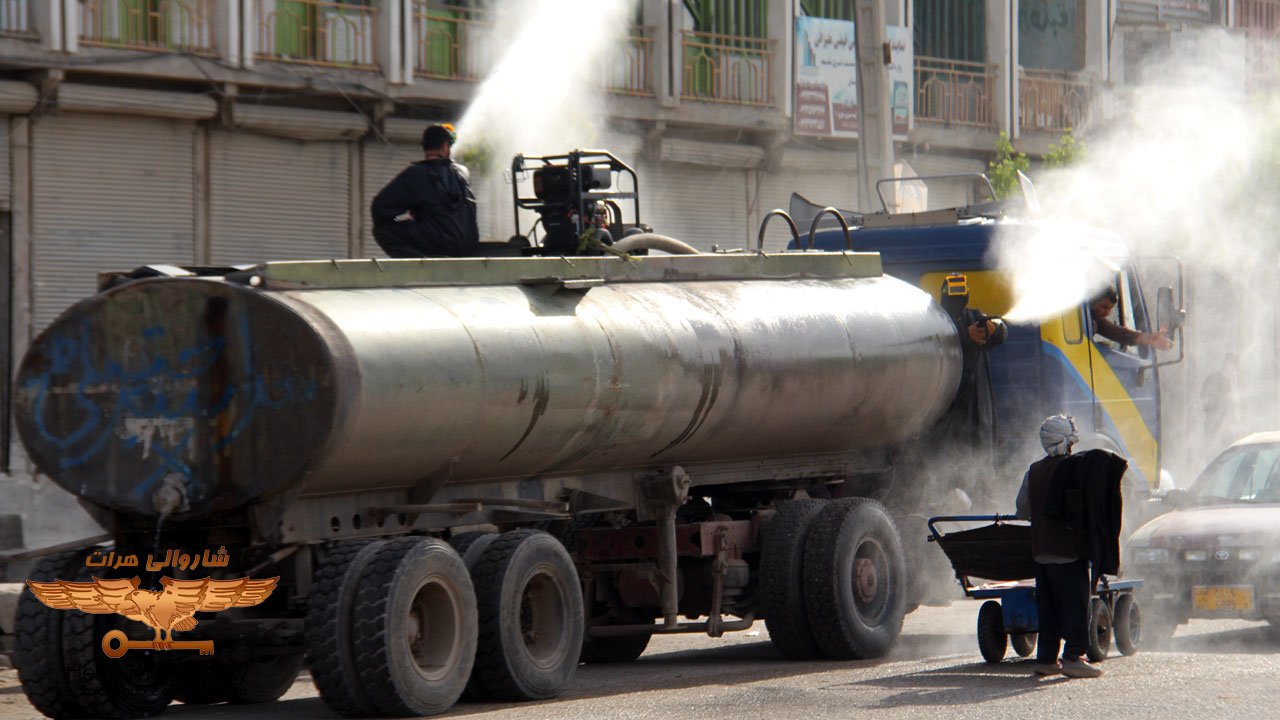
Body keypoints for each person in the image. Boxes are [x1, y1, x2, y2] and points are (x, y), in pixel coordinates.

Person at [1015, 415, 1126, 679]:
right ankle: (1074, 657)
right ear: (1067, 442)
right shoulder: (1077, 468)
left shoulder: (1033, 470)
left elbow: (1022, 510)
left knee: (1049, 609)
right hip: (1069, 553)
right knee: (1076, 607)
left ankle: (1046, 660)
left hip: (1041, 554)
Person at [936, 273, 1008, 507]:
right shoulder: (934, 319)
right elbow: (935, 342)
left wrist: (993, 329)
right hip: (947, 416)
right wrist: (963, 337)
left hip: (979, 415)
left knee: (983, 481)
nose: (959, 304)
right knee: (949, 482)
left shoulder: (974, 316)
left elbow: (1000, 332)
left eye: (961, 297)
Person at [371, 123, 479, 258]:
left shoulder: (416, 174)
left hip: (437, 245)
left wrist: (414, 223)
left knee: (381, 230)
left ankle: (419, 262)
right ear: (445, 147)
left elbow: (379, 207)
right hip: (468, 248)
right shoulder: (463, 173)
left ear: (425, 147)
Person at [1089, 286, 1173, 351]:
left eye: (1110, 309)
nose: (1107, 313)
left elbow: (1119, 333)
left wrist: (1149, 338)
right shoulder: (1084, 318)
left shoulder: (1095, 320)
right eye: (1104, 307)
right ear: (1091, 302)